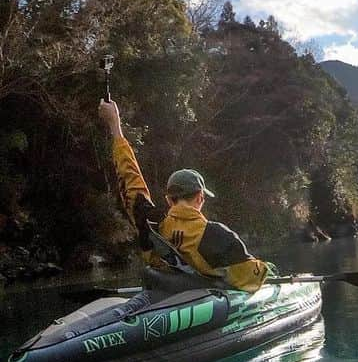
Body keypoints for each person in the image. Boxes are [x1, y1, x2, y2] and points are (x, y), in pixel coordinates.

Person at [99, 99, 269, 294]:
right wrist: (265, 269)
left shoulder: (152, 223)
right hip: (201, 303)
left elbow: (131, 180)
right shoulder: (217, 235)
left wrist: (115, 126)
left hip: (162, 295)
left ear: (169, 200)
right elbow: (251, 279)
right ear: (200, 197)